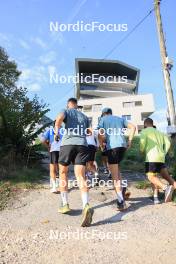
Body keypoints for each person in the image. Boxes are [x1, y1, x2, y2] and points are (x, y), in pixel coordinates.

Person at [55, 97, 94, 227]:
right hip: (82, 145)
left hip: (68, 144)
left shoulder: (66, 111)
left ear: (68, 105)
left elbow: (59, 119)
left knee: (63, 173)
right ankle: (85, 205)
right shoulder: (84, 116)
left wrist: (56, 132)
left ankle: (65, 204)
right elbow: (89, 132)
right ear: (77, 105)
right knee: (80, 176)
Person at [98, 108, 136, 210]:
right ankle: (122, 188)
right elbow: (133, 127)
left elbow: (100, 135)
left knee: (114, 176)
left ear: (103, 114)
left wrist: (101, 145)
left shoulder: (103, 120)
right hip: (122, 146)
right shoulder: (120, 119)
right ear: (111, 112)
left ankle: (120, 202)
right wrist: (130, 141)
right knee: (117, 169)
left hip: (112, 148)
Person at [140, 118, 176, 204]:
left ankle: (165, 188)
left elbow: (142, 146)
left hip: (151, 158)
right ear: (152, 124)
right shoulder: (160, 133)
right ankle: (156, 198)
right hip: (161, 158)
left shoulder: (144, 132)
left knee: (150, 177)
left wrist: (142, 153)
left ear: (145, 125)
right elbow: (168, 143)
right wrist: (164, 152)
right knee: (166, 178)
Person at [41, 121, 62, 193]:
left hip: (53, 150)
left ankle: (54, 187)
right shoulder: (64, 131)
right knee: (62, 169)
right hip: (63, 150)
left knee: (52, 169)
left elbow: (42, 140)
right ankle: (62, 187)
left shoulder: (50, 131)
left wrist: (48, 146)